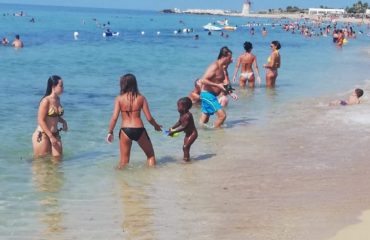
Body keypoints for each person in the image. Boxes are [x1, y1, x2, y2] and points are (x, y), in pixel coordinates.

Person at [106, 73, 162, 169]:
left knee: (124, 162)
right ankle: (152, 178)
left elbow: (114, 117)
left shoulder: (119, 99)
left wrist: (110, 132)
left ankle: (121, 182)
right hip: (139, 129)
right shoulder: (141, 98)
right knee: (150, 155)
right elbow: (149, 118)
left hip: (125, 130)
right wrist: (156, 126)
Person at [199, 46, 237, 128]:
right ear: (223, 57)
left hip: (211, 96)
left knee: (204, 121)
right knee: (222, 116)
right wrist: (217, 85)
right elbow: (202, 80)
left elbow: (223, 83)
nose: (231, 59)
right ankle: (216, 134)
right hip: (207, 95)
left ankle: (202, 135)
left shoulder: (223, 68)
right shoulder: (215, 66)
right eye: (229, 58)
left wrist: (230, 93)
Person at [32, 75, 68, 159]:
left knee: (58, 160)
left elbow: (55, 117)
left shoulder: (58, 99)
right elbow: (40, 120)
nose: (63, 88)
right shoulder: (46, 101)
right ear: (53, 86)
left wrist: (64, 122)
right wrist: (50, 137)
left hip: (55, 134)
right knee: (41, 162)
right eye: (61, 86)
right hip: (43, 135)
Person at [168, 97, 198, 162]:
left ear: (184, 107)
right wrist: (172, 127)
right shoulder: (182, 114)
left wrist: (174, 131)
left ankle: (186, 160)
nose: (177, 108)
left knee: (185, 147)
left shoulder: (188, 115)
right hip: (187, 134)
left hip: (193, 134)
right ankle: (186, 159)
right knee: (185, 147)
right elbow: (179, 122)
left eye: (179, 106)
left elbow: (184, 127)